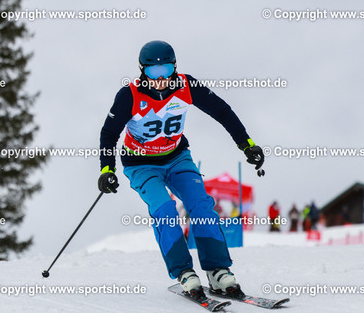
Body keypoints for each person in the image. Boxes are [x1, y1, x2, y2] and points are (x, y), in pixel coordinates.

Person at [97, 40, 265, 298]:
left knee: (201, 205)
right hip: (141, 164)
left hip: (177, 158)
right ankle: (184, 272)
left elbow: (222, 111)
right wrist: (106, 170)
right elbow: (109, 133)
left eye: (165, 70)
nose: (160, 78)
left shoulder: (187, 86)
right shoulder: (129, 95)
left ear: (174, 67)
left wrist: (246, 144)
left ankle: (218, 271)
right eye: (153, 72)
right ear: (142, 70)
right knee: (165, 209)